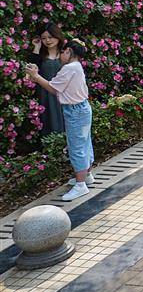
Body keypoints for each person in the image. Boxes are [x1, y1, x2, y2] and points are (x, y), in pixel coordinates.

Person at [24, 38, 93, 200]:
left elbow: (53, 88)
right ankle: (87, 175)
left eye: (62, 52)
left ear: (68, 51)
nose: (60, 55)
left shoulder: (69, 68)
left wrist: (35, 76)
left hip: (75, 111)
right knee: (85, 142)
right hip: (82, 109)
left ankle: (81, 185)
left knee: (76, 147)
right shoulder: (76, 66)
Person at [28, 23, 67, 134]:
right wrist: (36, 47)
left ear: (57, 36)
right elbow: (31, 71)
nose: (48, 41)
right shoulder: (40, 55)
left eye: (50, 37)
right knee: (46, 123)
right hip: (44, 95)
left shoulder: (65, 54)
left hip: (63, 94)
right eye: (44, 38)